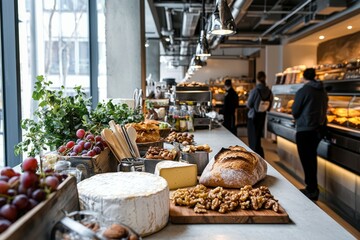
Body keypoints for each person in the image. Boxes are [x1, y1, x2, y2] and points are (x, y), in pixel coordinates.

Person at [292, 68, 328, 201]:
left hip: (305, 130)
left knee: (306, 160)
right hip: (318, 129)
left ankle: (311, 189)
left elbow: (295, 110)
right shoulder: (322, 90)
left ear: (304, 77)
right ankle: (313, 188)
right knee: (312, 159)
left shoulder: (304, 90)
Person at [246, 71, 273, 158]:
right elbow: (270, 104)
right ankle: (260, 155)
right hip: (262, 115)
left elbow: (249, 104)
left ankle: (254, 156)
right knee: (258, 136)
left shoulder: (255, 90)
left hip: (253, 116)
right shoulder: (269, 91)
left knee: (253, 137)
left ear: (257, 79)